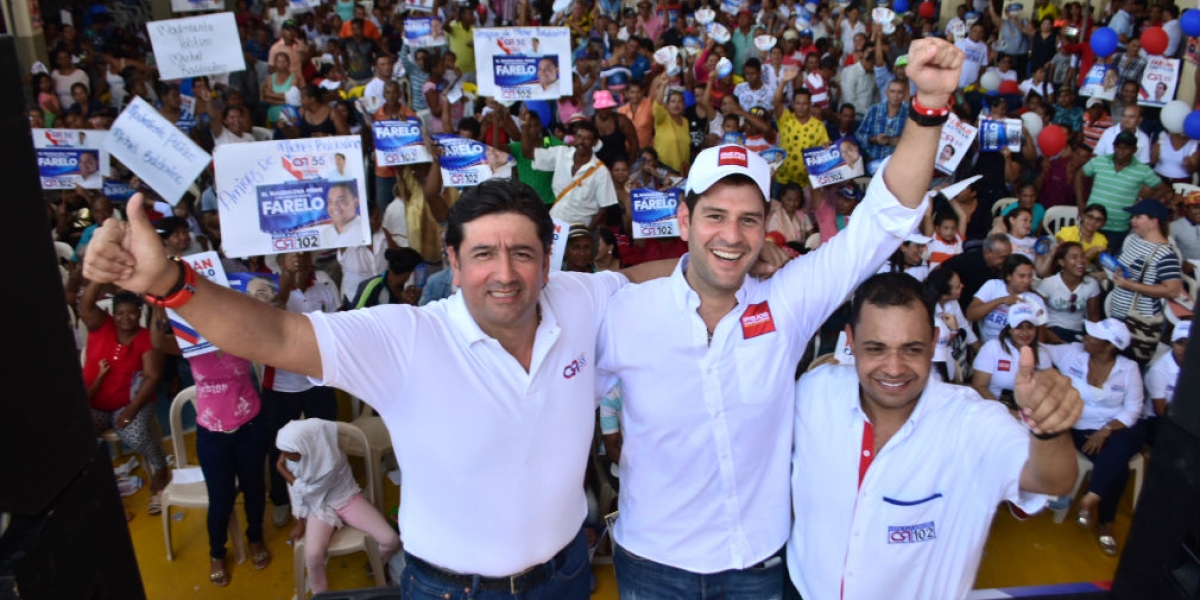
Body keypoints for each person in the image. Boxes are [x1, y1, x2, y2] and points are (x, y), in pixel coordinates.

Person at [82, 180, 684, 600]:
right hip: (453, 590)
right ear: (450, 259)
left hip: (567, 577)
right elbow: (278, 334)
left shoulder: (580, 300)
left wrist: (732, 257)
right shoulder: (406, 338)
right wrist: (168, 282)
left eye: (522, 253)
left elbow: (636, 277)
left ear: (546, 261)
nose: (505, 273)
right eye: (483, 254)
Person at [597, 36, 965, 599]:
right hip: (652, 562)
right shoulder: (623, 310)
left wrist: (929, 106)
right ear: (683, 217)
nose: (731, 235)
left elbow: (882, 221)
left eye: (748, 220)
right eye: (714, 216)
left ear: (768, 222)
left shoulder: (788, 298)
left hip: (759, 563)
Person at [787, 273, 1080, 600]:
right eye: (876, 348)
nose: (894, 368)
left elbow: (1051, 480)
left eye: (911, 349)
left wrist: (1048, 429)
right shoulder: (813, 392)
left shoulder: (971, 422)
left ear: (933, 341)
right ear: (851, 341)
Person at [150, 304, 272, 586]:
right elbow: (157, 341)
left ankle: (256, 539)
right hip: (212, 435)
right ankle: (217, 552)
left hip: (250, 427)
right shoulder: (190, 344)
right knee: (220, 499)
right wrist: (159, 308)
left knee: (254, 488)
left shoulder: (240, 337)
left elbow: (267, 334)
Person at [1044, 319, 1144, 556]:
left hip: (1119, 428)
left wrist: (1106, 430)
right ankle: (1104, 522)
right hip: (1082, 427)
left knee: (1120, 445)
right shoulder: (1072, 354)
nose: (1085, 338)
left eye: (1093, 337)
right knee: (1116, 465)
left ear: (1109, 346)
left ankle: (1090, 500)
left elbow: (1133, 409)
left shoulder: (1128, 369)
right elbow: (1040, 348)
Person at [276, 419, 400, 594]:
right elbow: (297, 494)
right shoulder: (293, 460)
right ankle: (322, 595)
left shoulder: (329, 459)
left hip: (345, 499)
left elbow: (310, 491)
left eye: (290, 453)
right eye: (283, 453)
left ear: (306, 445)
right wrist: (299, 522)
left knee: (391, 540)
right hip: (319, 507)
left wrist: (282, 471)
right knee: (313, 556)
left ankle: (375, 564)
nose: (287, 457)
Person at [79, 284, 170, 515]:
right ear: (113, 313)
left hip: (131, 404)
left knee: (136, 434)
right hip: (94, 406)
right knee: (76, 436)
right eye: (120, 313)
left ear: (139, 312)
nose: (125, 318)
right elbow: (85, 304)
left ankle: (160, 471)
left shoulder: (147, 338)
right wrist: (99, 278)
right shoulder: (101, 326)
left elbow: (153, 376)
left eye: (131, 312)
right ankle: (102, 492)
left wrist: (131, 409)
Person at [1106, 200, 1184, 363]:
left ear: (1153, 221)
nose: (1132, 221)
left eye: (1138, 217)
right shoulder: (1134, 240)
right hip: (1118, 315)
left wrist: (1131, 285)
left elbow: (1173, 290)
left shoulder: (1165, 253)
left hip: (1138, 322)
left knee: (1130, 365)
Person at [1077, 131, 1170, 252]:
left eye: (1126, 148)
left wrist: (1143, 206)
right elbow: (1079, 175)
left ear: (1134, 150)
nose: (1121, 151)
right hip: (1090, 222)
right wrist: (1080, 202)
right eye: (1118, 147)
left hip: (1117, 228)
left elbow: (1163, 188)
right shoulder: (1099, 161)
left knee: (1106, 263)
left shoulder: (1142, 170)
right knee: (1080, 256)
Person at [522, 119, 618, 230]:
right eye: (579, 136)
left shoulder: (601, 172)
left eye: (587, 138)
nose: (581, 141)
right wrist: (524, 126)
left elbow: (604, 207)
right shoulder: (561, 153)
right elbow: (528, 153)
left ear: (594, 142)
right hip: (555, 223)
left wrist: (587, 232)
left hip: (580, 228)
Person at [972, 302, 1055, 406]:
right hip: (994, 410)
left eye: (1030, 327)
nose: (1025, 332)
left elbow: (1047, 390)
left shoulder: (1042, 353)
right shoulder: (993, 347)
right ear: (1010, 329)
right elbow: (979, 386)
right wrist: (1005, 412)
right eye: (1019, 327)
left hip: (1028, 413)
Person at [966, 254, 1048, 343]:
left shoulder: (1035, 300)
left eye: (1030, 276)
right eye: (1022, 276)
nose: (1027, 281)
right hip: (989, 347)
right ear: (1009, 276)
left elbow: (1040, 338)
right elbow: (971, 315)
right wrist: (1001, 301)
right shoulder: (993, 286)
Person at [1037, 242, 1103, 342]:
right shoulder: (1049, 283)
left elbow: (1094, 318)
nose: (1080, 261)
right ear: (1062, 262)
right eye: (1074, 257)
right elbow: (1037, 318)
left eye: (1082, 256)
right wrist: (1060, 343)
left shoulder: (1091, 284)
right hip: (1051, 331)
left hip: (1078, 332)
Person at [926, 265, 977, 383]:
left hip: (949, 356)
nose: (962, 286)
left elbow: (964, 326)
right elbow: (935, 345)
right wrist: (953, 332)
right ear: (944, 295)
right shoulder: (928, 310)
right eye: (958, 286)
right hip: (934, 362)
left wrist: (980, 350)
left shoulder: (953, 302)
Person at [1143, 320, 1189, 446]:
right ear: (1173, 343)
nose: (1184, 349)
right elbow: (1160, 411)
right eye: (1180, 343)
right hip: (1158, 420)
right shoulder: (1159, 370)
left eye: (1188, 344)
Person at [349, 247, 424, 309]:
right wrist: (402, 306)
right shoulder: (373, 286)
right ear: (410, 273)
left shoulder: (406, 289)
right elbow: (357, 317)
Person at [319, 182, 368, 248]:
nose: (334, 206)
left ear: (355, 202)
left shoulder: (366, 229)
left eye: (341, 200)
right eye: (330, 201)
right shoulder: (324, 233)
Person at [1170, 191, 1200, 262]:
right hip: (1185, 270)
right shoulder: (1175, 226)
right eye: (1196, 207)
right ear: (1186, 208)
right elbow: (1168, 251)